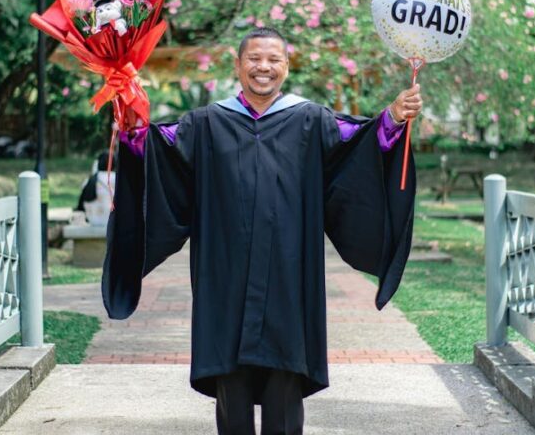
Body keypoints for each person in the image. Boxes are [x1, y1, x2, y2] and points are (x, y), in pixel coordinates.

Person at [103, 27, 422, 434]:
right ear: (238, 65)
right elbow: (155, 148)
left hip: (289, 275)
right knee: (230, 385)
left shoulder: (310, 120)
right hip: (225, 276)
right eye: (254, 59)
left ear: (286, 67)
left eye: (273, 60)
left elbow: (359, 143)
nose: (263, 68)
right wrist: (129, 120)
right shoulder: (206, 123)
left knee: (284, 385)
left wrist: (393, 116)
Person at [76, 151, 117, 226]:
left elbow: (81, 203)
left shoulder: (89, 180)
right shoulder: (116, 178)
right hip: (112, 222)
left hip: (93, 221)